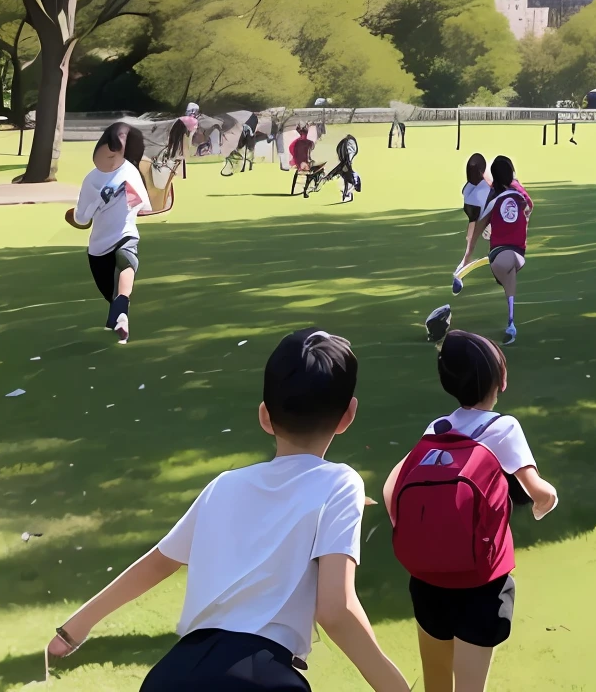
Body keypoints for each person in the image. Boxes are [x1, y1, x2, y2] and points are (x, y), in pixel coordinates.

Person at [46, 328, 408, 691]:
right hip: (259, 677)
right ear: (348, 415)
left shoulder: (224, 485)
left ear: (265, 416)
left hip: (171, 675)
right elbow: (335, 610)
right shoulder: (340, 484)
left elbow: (158, 561)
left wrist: (74, 629)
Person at [383, 329, 557, 692]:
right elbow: (537, 489)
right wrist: (546, 502)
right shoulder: (504, 428)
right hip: (481, 582)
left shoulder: (436, 429)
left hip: (428, 580)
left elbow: (391, 489)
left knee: (436, 684)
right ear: (501, 378)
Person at [66, 121, 165, 343]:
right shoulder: (116, 175)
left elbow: (82, 218)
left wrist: (103, 202)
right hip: (113, 242)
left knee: (122, 269)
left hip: (111, 242)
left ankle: (120, 310)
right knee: (122, 274)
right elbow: (145, 206)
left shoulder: (105, 176)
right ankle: (119, 313)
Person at [478, 156, 531, 343]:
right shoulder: (517, 191)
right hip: (517, 250)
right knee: (508, 273)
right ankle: (511, 321)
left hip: (500, 250)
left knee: (504, 269)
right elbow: (528, 206)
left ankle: (511, 322)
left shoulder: (494, 195)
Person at [453, 154, 493, 290]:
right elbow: (473, 219)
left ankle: (462, 268)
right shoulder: (480, 191)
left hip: (484, 221)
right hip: (484, 223)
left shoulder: (468, 188)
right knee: (470, 251)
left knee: (470, 250)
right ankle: (461, 271)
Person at [288, 124, 315, 195]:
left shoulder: (296, 143)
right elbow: (309, 155)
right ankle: (308, 189)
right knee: (314, 169)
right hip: (304, 164)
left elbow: (292, 150)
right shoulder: (309, 143)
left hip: (300, 163)